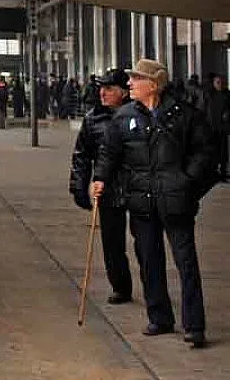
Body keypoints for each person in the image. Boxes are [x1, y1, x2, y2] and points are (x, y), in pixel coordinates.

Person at [93, 59, 213, 348]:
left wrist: (187, 184)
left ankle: (194, 325)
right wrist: (100, 178)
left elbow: (206, 154)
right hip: (142, 201)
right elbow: (109, 153)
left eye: (136, 79)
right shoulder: (123, 117)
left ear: (154, 84)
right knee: (149, 260)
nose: (130, 83)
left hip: (175, 202)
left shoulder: (185, 116)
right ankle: (160, 317)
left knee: (186, 264)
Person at [69, 69, 132, 304]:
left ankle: (154, 290)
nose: (103, 93)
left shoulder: (137, 116)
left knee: (145, 244)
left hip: (137, 188)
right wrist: (79, 187)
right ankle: (121, 286)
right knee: (112, 242)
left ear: (124, 93)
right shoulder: (92, 119)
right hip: (107, 189)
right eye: (101, 89)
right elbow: (81, 156)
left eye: (109, 89)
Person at [203, 74, 230, 180]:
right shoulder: (209, 95)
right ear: (213, 83)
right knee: (213, 151)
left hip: (223, 127)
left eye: (222, 82)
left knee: (223, 151)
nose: (220, 85)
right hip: (211, 127)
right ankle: (213, 172)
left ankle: (223, 171)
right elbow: (203, 109)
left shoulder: (227, 94)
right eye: (218, 82)